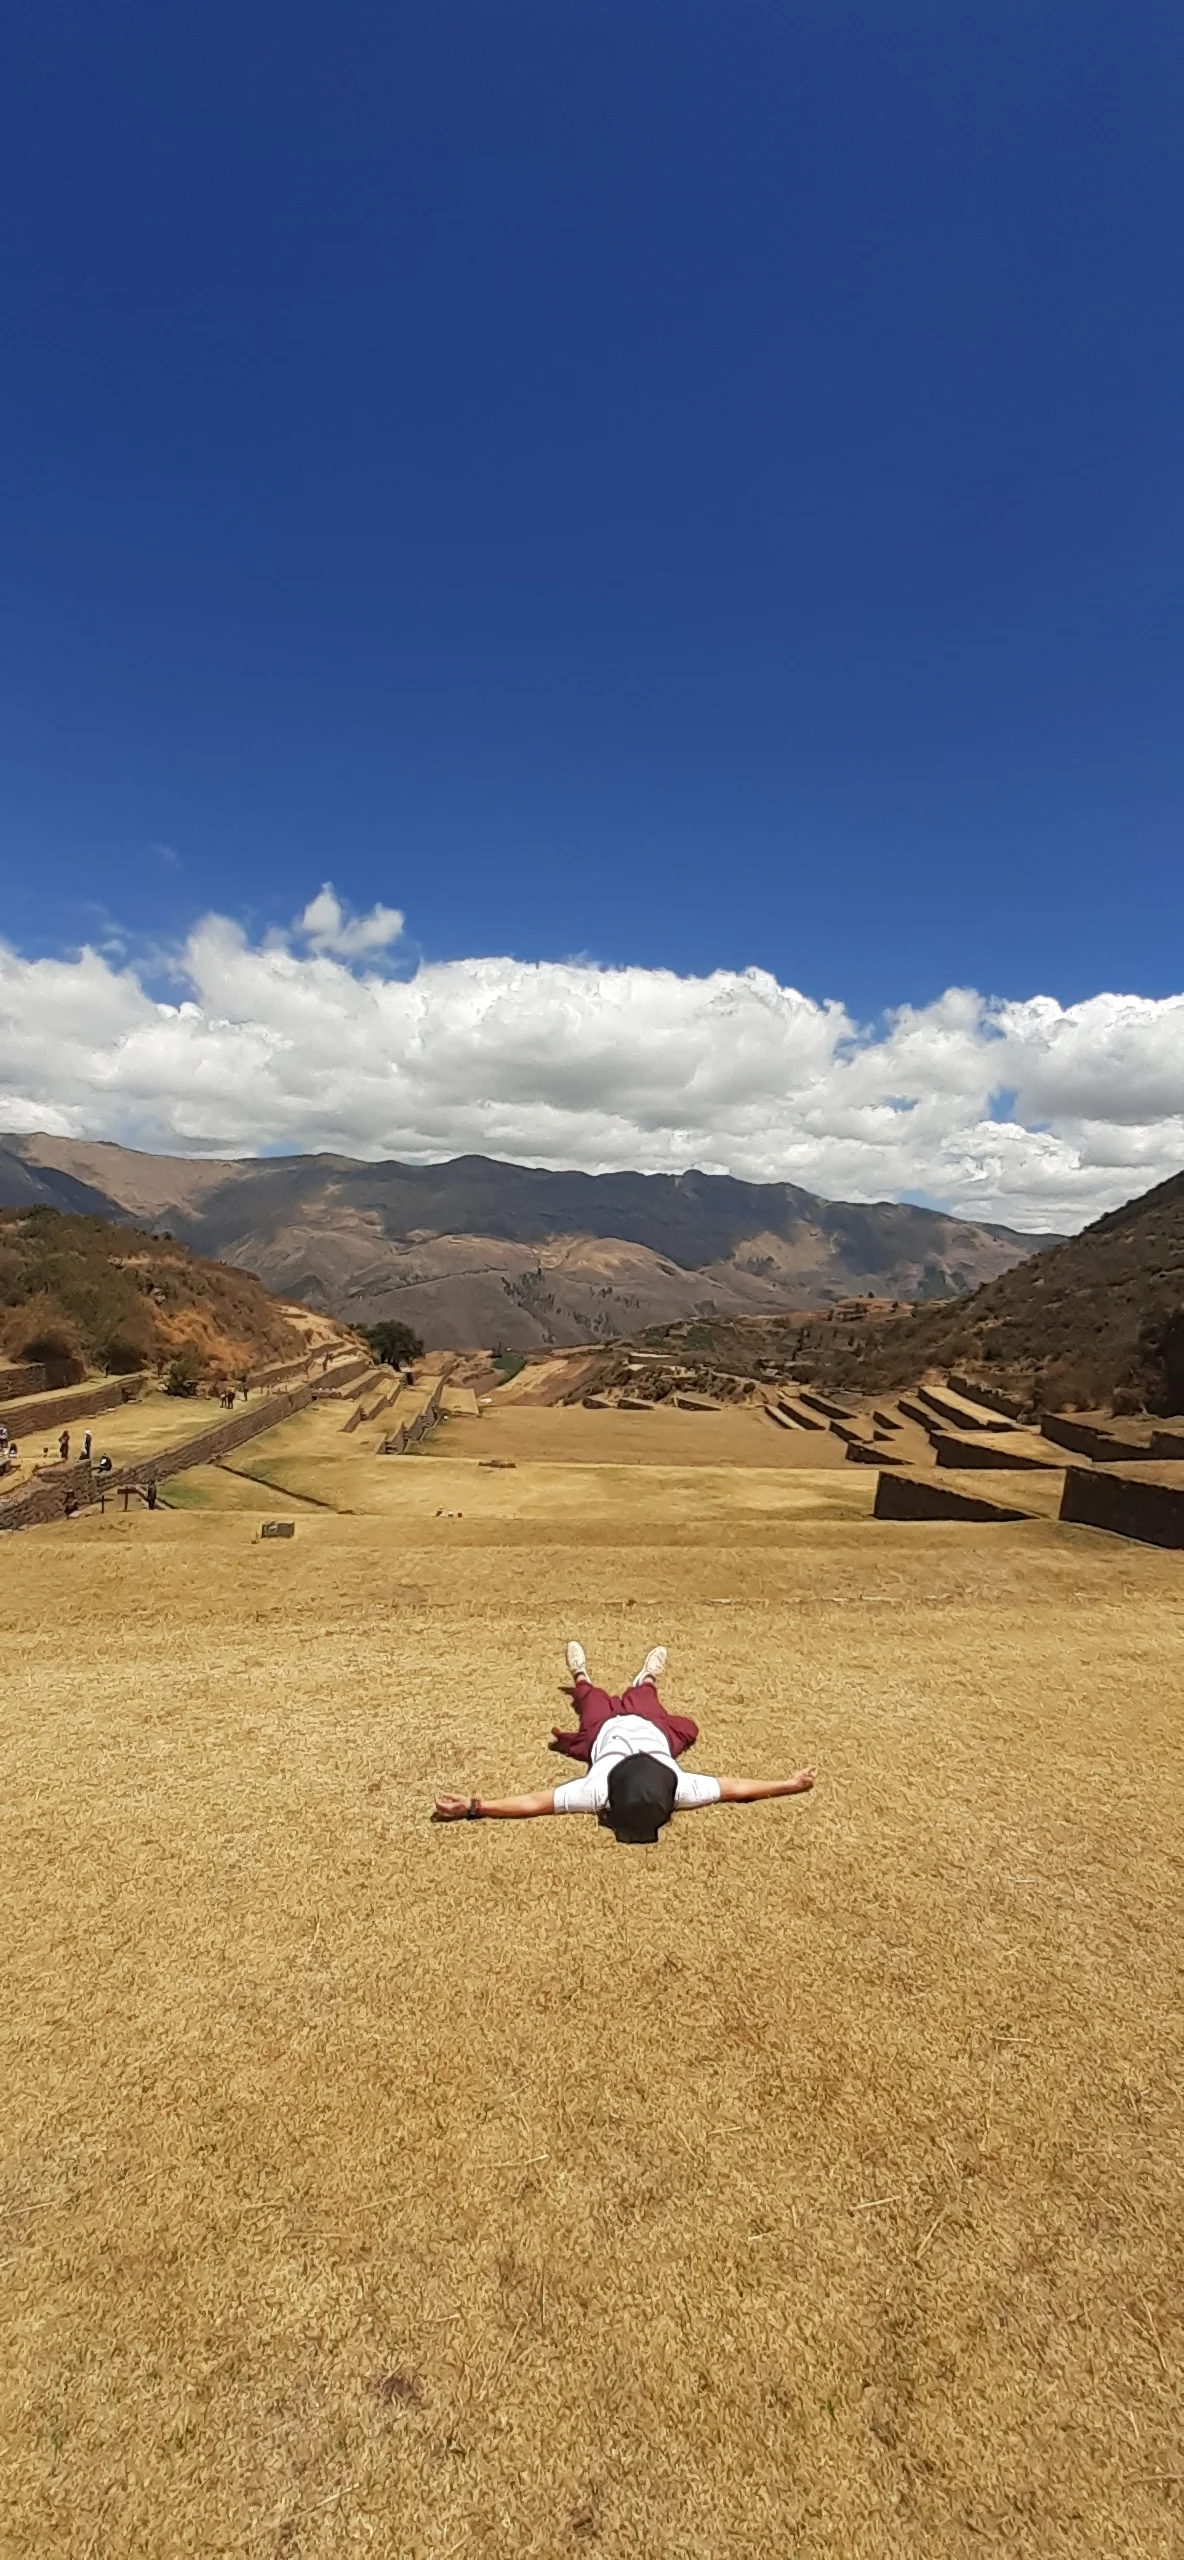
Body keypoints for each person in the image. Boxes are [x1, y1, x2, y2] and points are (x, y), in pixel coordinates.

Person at [432, 1643, 815, 1846]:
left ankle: (582, 1676)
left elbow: (535, 1803)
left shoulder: (599, 1790)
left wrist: (475, 1807)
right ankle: (643, 1678)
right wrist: (788, 1784)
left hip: (604, 1732)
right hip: (653, 1728)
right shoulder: (679, 1788)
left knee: (590, 1699)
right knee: (645, 1696)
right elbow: (735, 1788)